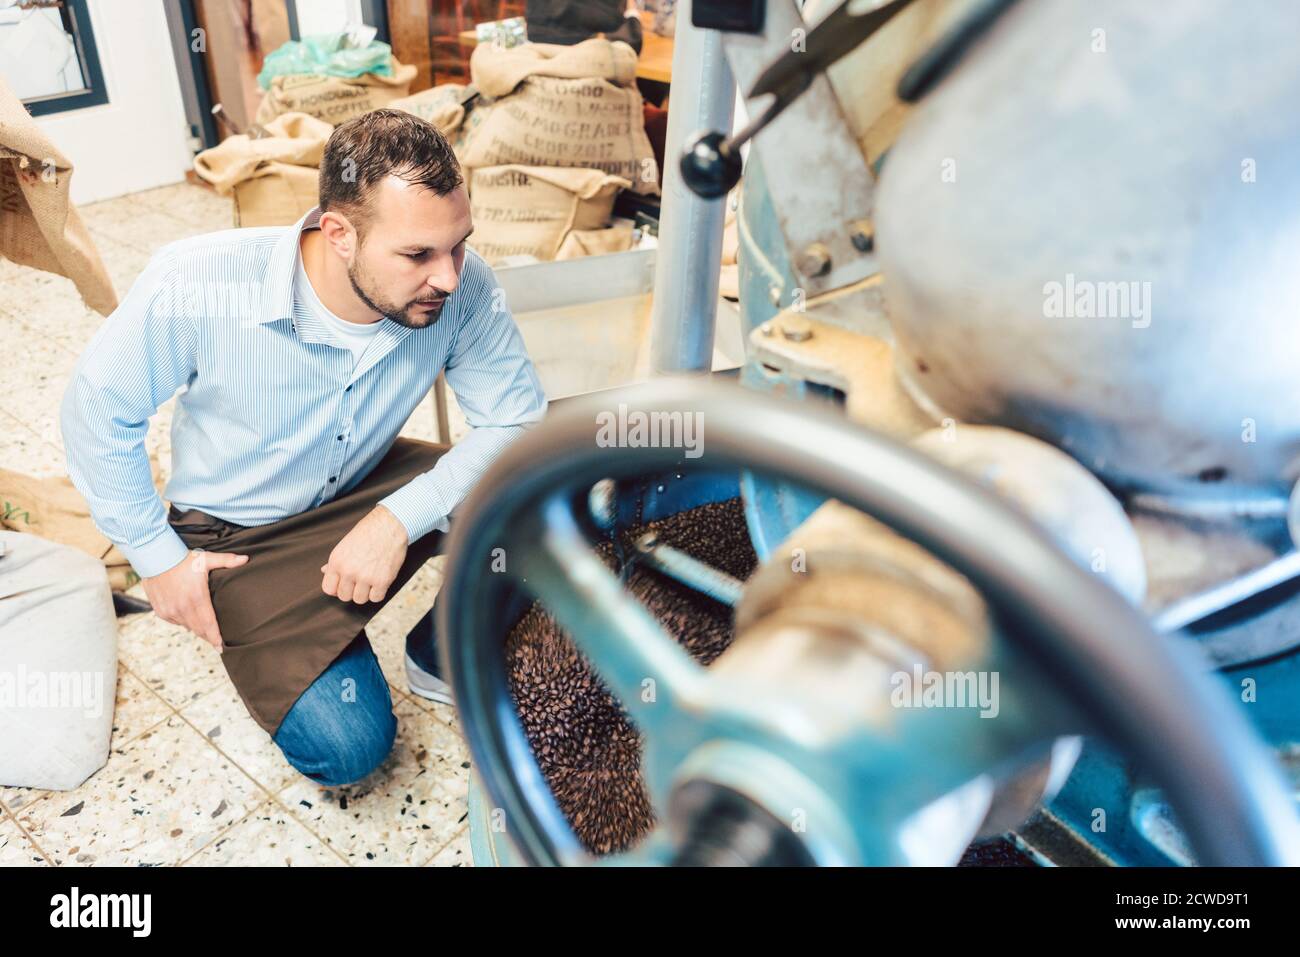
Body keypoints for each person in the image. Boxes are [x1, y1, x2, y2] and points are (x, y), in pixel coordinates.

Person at [60, 109, 547, 785]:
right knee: (349, 746)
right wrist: (157, 558)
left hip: (362, 479)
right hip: (236, 534)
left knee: (545, 484)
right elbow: (97, 409)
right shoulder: (198, 281)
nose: (450, 277)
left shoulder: (463, 289)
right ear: (339, 233)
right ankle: (308, 634)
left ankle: (439, 651)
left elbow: (515, 423)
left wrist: (396, 518)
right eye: (418, 255)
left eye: (458, 244)